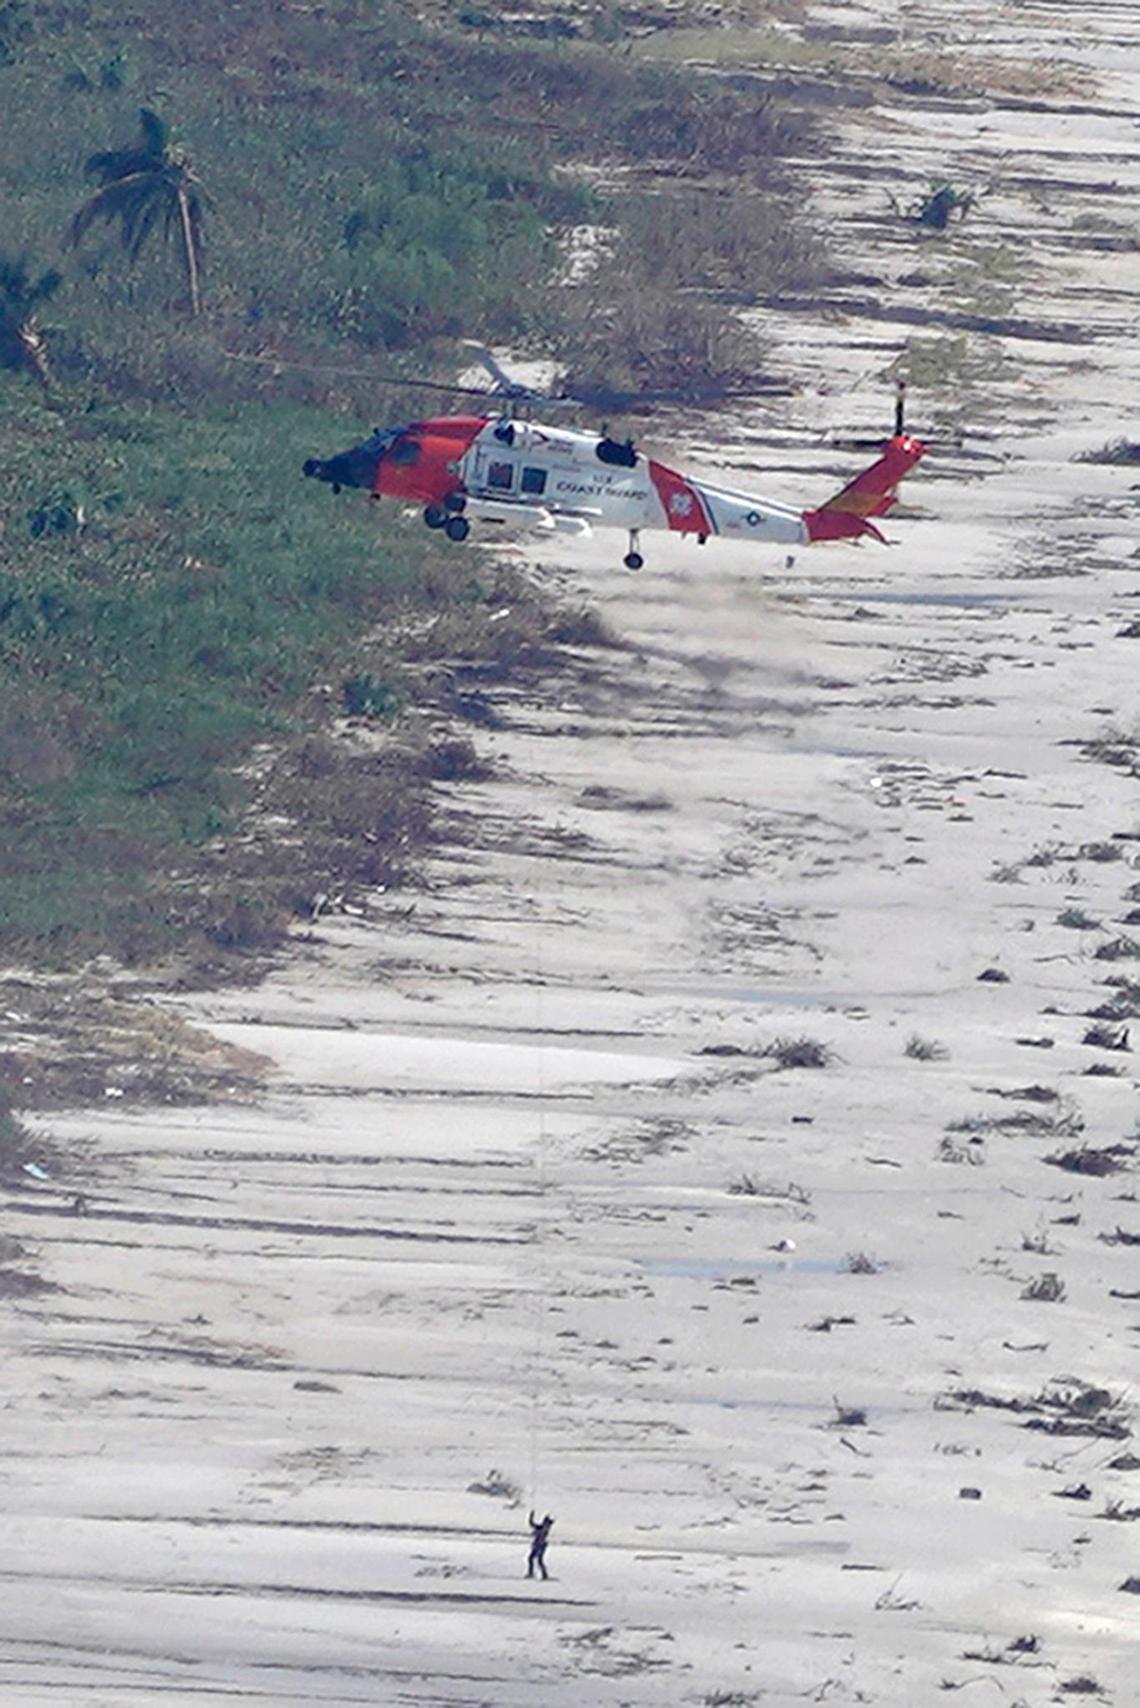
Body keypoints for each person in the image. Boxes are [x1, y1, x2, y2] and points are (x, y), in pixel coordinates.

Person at [526, 1510, 554, 1580]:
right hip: (537, 1545)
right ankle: (531, 1573)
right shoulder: (541, 1527)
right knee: (531, 1558)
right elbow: (531, 1524)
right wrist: (531, 1516)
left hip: (541, 1546)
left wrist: (535, 1532)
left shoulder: (544, 1528)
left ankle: (544, 1574)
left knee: (539, 1561)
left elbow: (537, 1530)